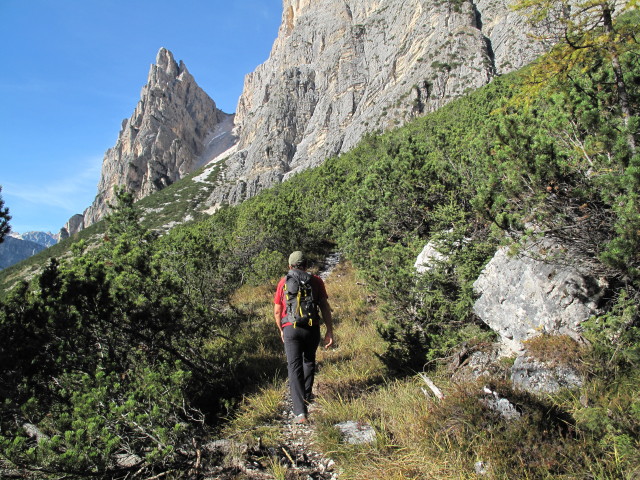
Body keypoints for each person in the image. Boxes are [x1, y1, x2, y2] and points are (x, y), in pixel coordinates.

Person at [274, 251, 334, 424]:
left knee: (294, 368)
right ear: (306, 265)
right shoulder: (316, 281)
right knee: (309, 361)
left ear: (290, 266)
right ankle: (307, 395)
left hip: (290, 328)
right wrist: (329, 330)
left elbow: (278, 310)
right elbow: (324, 306)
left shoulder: (284, 282)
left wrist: (281, 330)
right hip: (311, 327)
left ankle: (300, 412)